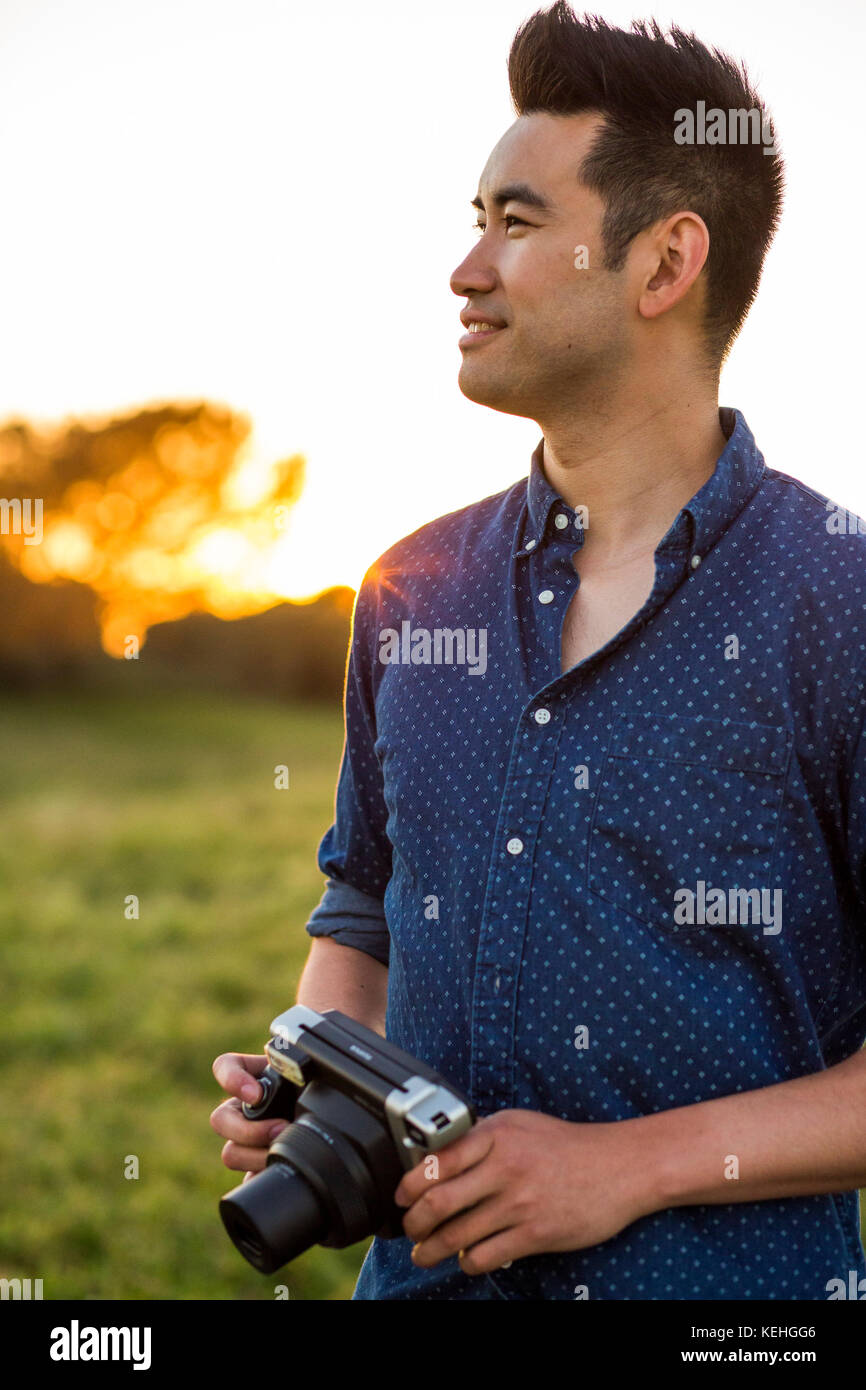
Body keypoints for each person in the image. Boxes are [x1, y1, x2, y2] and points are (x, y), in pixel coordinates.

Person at [211, 3, 866, 1300]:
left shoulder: (837, 600)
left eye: (515, 224)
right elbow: (363, 906)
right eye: (474, 221)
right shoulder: (409, 585)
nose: (465, 269)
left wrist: (621, 1166)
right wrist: (316, 1082)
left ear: (663, 263)